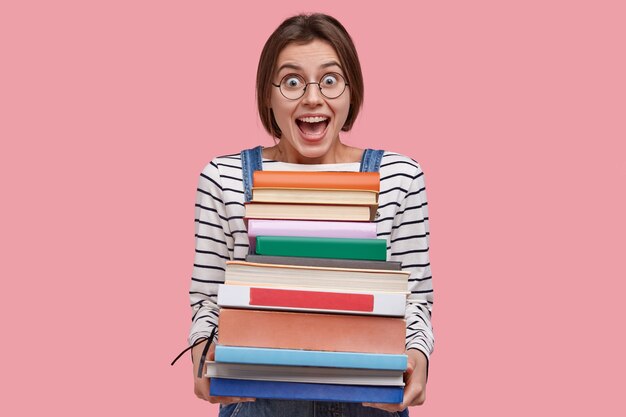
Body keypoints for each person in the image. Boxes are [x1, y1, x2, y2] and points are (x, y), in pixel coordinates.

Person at [188, 13, 434, 417]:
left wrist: (418, 359)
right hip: (258, 400)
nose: (313, 98)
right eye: (291, 82)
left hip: (370, 400)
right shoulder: (223, 178)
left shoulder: (399, 177)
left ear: (352, 90)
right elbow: (205, 299)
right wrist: (202, 354)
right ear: (267, 96)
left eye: (331, 80)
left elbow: (416, 301)